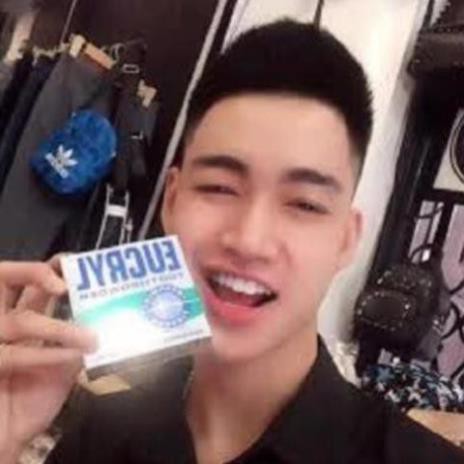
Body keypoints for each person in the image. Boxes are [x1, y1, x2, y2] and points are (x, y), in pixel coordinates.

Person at [0, 19, 463, 464]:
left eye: (304, 204)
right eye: (219, 188)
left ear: (346, 239)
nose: (249, 240)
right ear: (172, 201)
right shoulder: (97, 438)